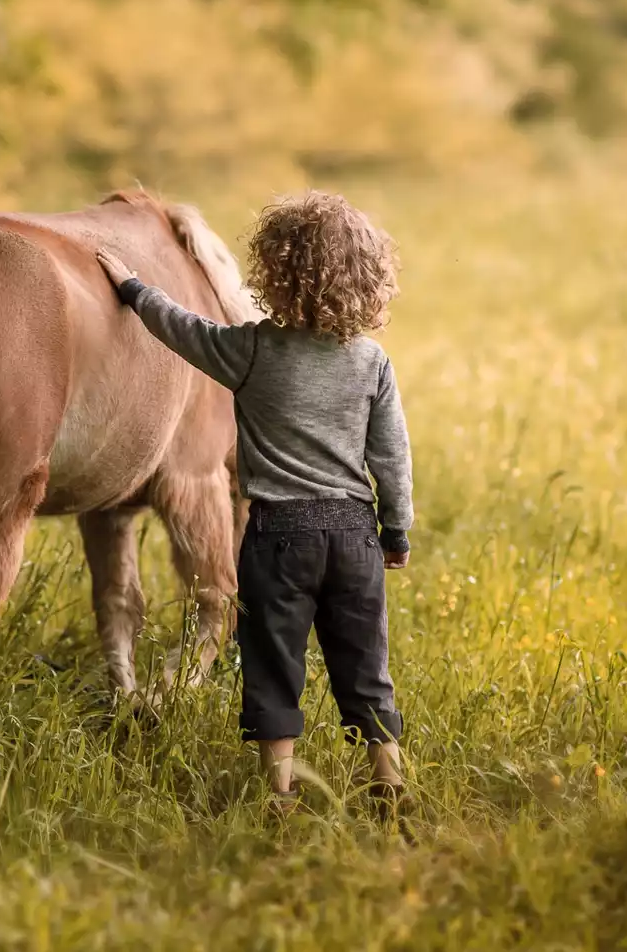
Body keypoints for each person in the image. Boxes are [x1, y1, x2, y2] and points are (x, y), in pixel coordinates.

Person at [95, 190, 414, 811]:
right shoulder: (373, 362)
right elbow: (392, 459)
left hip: (277, 538)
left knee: (271, 664)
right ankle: (388, 779)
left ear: (274, 271)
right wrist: (395, 531)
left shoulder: (253, 350)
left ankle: (281, 793)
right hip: (354, 538)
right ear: (369, 278)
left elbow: (181, 329)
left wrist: (132, 287)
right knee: (363, 661)